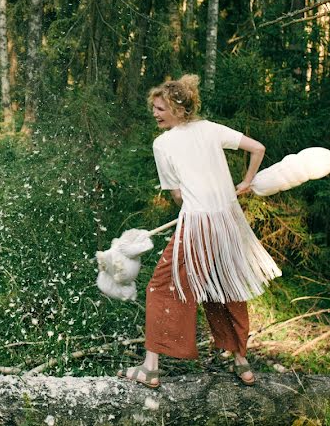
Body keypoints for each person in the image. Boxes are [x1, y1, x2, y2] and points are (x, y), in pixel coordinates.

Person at [118, 74, 281, 388]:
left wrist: (195, 197)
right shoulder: (211, 129)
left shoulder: (163, 144)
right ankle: (242, 364)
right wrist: (246, 182)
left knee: (161, 287)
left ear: (179, 109)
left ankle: (150, 368)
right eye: (154, 107)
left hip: (197, 225)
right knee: (225, 287)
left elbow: (178, 195)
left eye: (161, 108)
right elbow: (257, 148)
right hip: (227, 224)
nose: (155, 113)